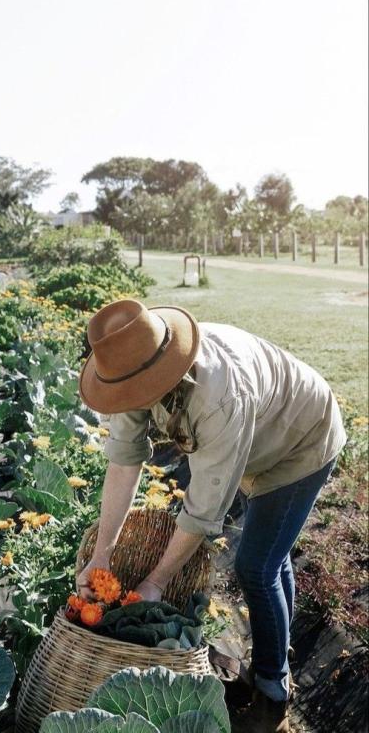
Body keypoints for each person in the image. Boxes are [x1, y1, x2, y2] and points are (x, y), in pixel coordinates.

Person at [75, 299, 345, 733]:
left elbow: (203, 509)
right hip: (260, 434)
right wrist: (101, 554)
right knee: (271, 557)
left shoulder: (220, 396)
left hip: (301, 440)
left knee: (255, 567)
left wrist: (155, 582)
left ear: (166, 374)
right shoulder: (132, 366)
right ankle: (278, 649)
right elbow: (124, 461)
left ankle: (273, 691)